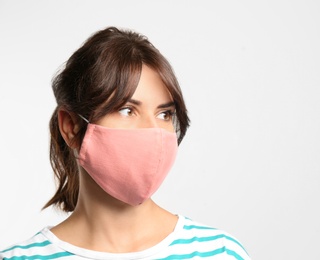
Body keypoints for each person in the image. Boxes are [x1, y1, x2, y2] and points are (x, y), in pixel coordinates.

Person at [0, 26, 250, 260]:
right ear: (71, 127)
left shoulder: (220, 253)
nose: (153, 132)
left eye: (165, 114)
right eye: (127, 110)